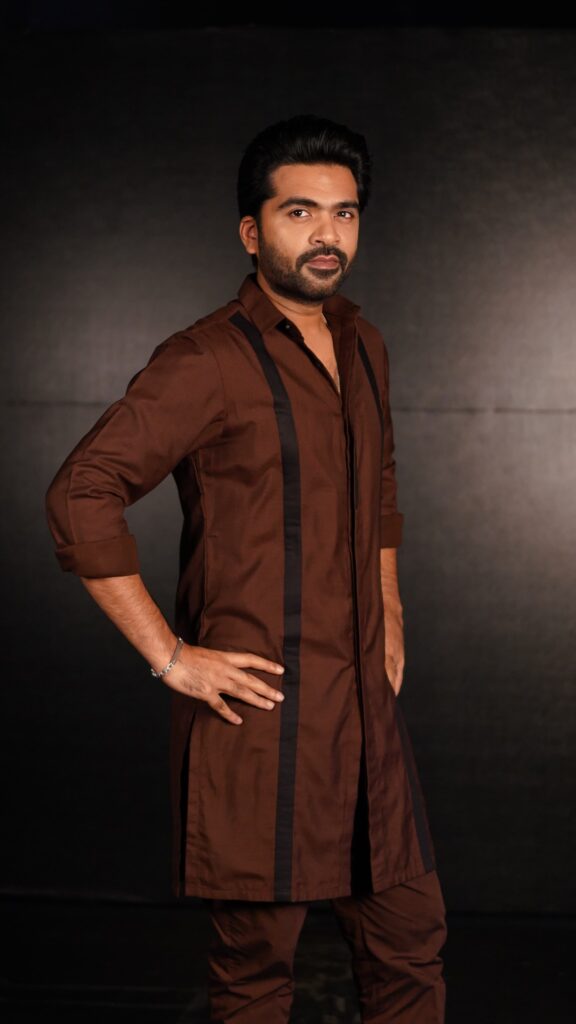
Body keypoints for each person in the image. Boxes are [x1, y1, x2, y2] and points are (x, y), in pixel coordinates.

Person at [45, 114, 447, 1022]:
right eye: (299, 212)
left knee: (410, 945)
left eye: (344, 214)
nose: (326, 235)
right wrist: (171, 657)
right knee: (257, 972)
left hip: (365, 718)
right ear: (251, 231)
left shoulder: (366, 344)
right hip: (262, 719)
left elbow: (379, 487)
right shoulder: (205, 360)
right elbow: (81, 493)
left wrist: (389, 613)